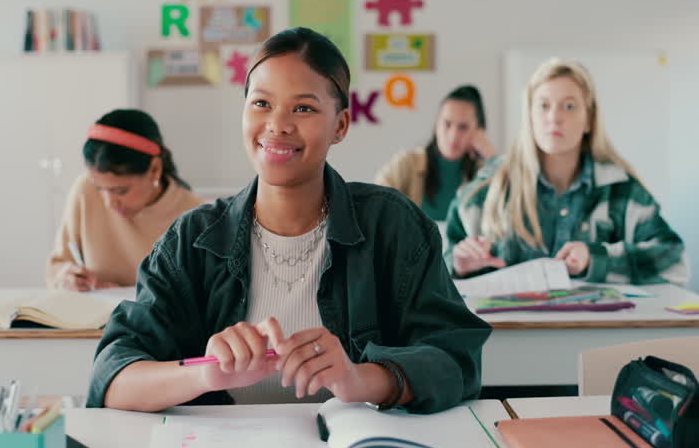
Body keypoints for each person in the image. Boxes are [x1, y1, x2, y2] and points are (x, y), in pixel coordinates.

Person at [89, 27, 489, 413]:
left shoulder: (392, 224)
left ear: (341, 125)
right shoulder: (192, 238)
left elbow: (457, 360)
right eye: (261, 103)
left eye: (303, 108)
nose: (277, 125)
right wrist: (204, 376)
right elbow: (112, 379)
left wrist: (361, 379)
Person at [444, 57, 686, 285]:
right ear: (529, 116)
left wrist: (596, 258)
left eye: (569, 106)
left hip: (593, 329)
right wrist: (456, 264)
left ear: (589, 119)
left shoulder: (620, 189)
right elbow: (429, 266)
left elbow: (675, 261)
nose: (554, 117)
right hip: (506, 330)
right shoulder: (489, 186)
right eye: (543, 106)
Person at [46, 109, 203, 291]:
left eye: (120, 191)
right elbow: (56, 266)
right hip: (92, 317)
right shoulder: (85, 190)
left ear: (154, 170)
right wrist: (66, 276)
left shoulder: (195, 214)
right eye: (100, 189)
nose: (108, 202)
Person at [374, 84, 495, 221]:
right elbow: (375, 204)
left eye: (463, 127)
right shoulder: (408, 163)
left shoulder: (485, 171)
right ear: (436, 125)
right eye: (447, 124)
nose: (453, 136)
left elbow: (512, 210)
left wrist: (492, 157)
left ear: (478, 131)